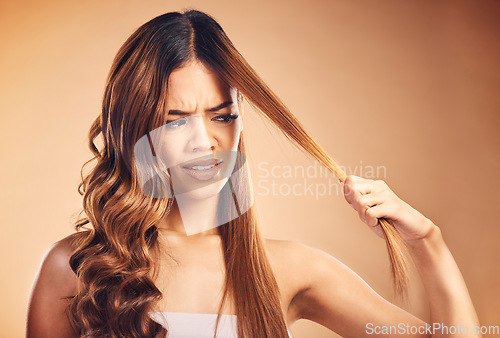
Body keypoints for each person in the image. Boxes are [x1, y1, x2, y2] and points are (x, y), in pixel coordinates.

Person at [26, 9, 481, 338]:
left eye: (223, 116)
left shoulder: (290, 270)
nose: (204, 141)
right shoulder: (74, 270)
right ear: (134, 126)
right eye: (175, 119)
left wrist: (428, 242)